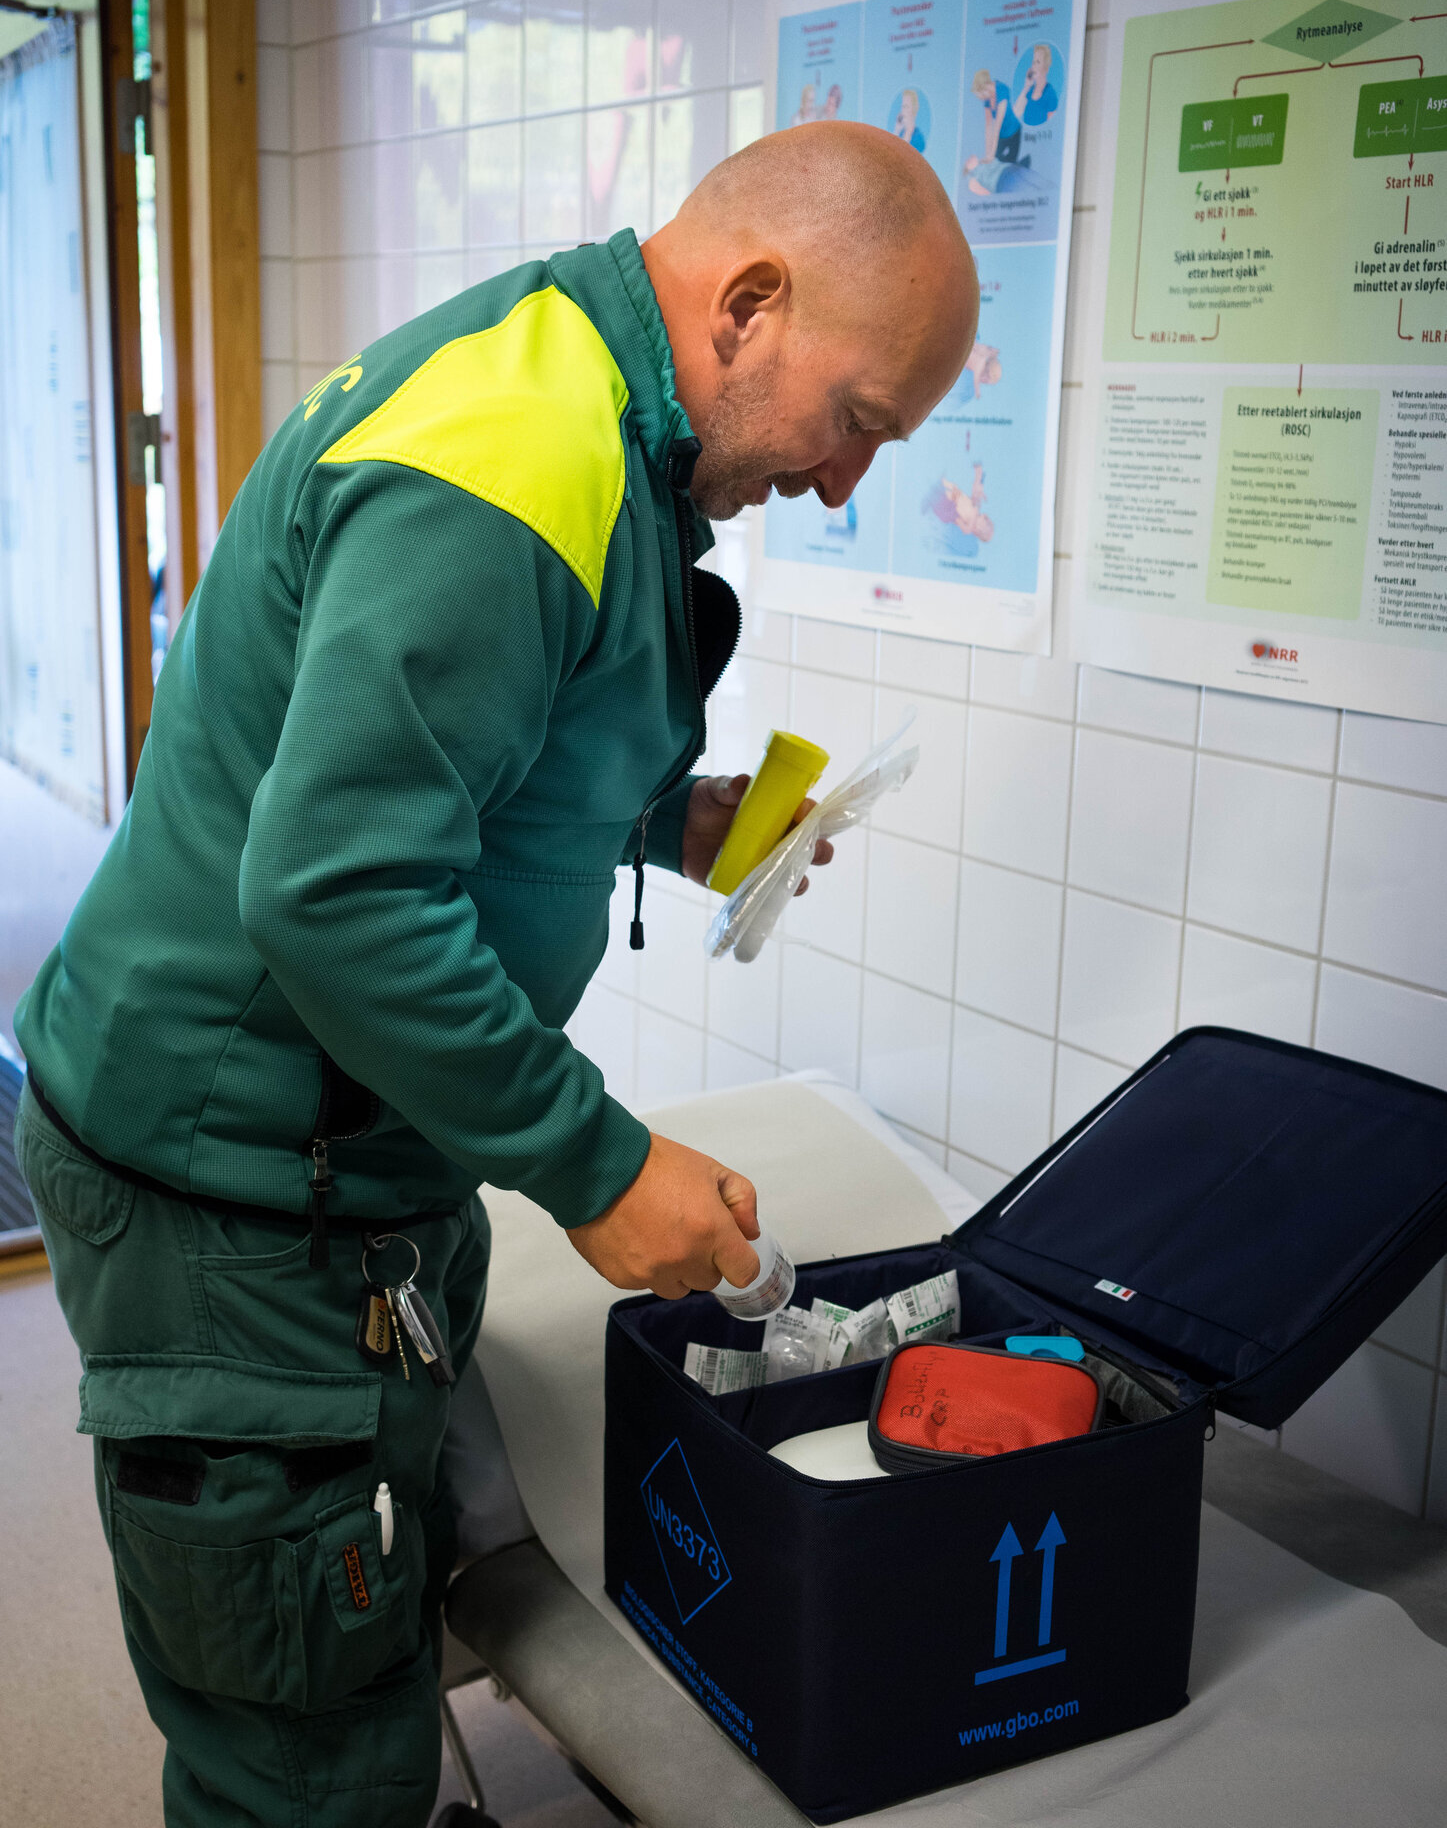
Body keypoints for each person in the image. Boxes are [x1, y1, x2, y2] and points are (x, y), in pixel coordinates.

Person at [13, 120, 978, 1828]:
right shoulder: (520, 457)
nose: (843, 482)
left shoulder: (572, 385)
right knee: (295, 1736)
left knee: (365, 1623)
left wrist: (672, 823)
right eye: (856, 421)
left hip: (335, 1156)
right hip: (229, 1185)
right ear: (747, 302)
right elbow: (337, 891)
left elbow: (447, 767)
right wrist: (594, 1164)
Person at [1015, 42, 1059, 126]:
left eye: (1038, 62)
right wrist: (1027, 85)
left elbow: (1052, 126)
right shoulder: (1029, 90)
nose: (1034, 66)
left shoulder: (1050, 94)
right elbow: (1016, 113)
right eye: (1033, 62)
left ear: (1046, 68)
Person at [893, 86, 927, 152]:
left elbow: (902, 153)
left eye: (906, 106)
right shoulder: (900, 133)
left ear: (914, 109)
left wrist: (908, 131)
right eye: (902, 106)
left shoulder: (919, 139)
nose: (903, 110)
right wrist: (897, 130)